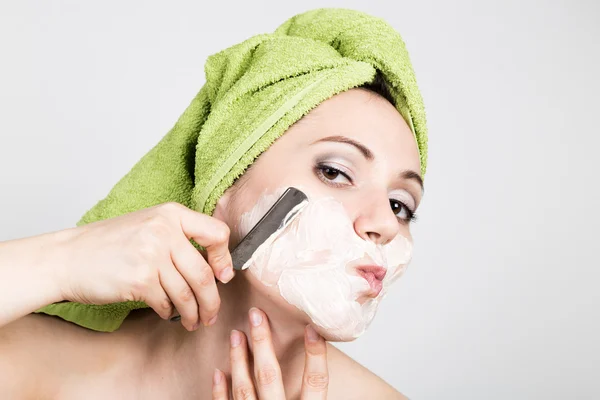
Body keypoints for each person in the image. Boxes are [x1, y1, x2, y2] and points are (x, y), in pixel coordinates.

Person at [0, 8, 426, 399]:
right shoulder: (37, 367)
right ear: (226, 183)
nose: (385, 225)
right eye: (334, 171)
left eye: (400, 204)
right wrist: (60, 261)